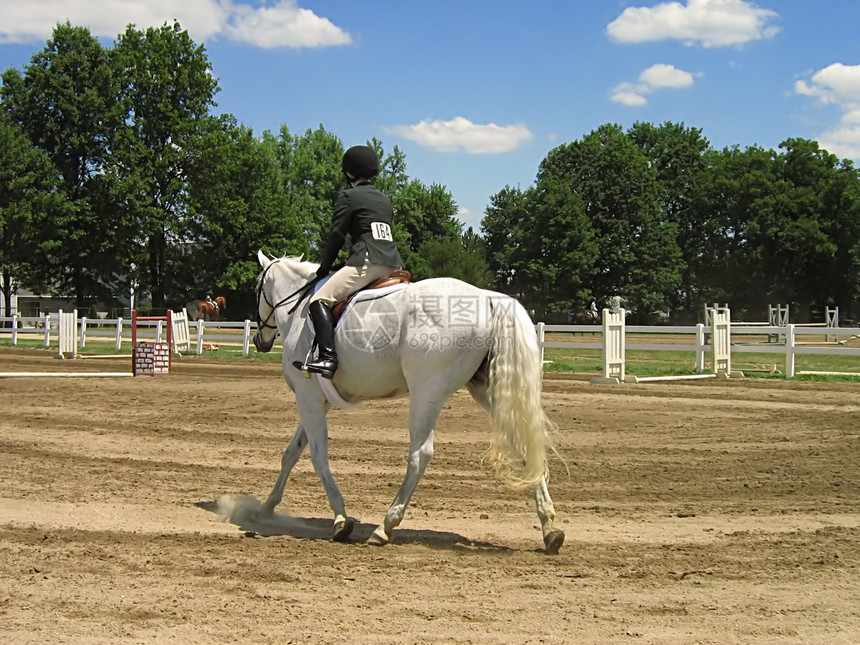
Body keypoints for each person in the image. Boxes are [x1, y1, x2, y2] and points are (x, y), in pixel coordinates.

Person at [301, 145, 405, 379]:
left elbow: (337, 235)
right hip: (393, 264)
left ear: (349, 172)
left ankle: (327, 358)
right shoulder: (385, 199)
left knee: (319, 300)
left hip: (367, 260)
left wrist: (325, 267)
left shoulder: (349, 196)